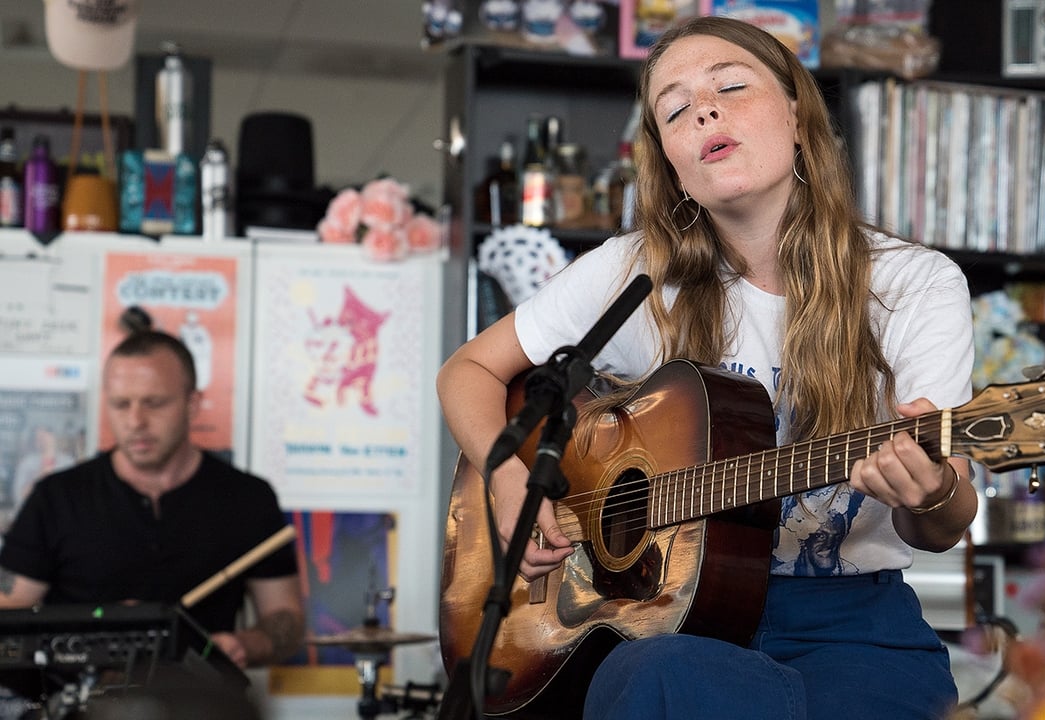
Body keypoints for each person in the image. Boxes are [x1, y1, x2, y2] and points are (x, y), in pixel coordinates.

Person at [436, 15, 977, 720]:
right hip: (671, 619)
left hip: (851, 628)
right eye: (677, 109)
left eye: (729, 85)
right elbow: (469, 370)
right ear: (673, 164)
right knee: (657, 675)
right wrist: (510, 481)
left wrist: (929, 492)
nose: (706, 110)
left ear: (796, 113)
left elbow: (942, 522)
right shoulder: (634, 276)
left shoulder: (912, 283)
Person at [0, 329, 305, 670]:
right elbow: (8, 611)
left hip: (203, 703)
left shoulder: (248, 498)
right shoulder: (56, 497)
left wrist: (244, 645)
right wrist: (92, 630)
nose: (135, 422)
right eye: (120, 404)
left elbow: (286, 620)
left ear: (193, 404)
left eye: (154, 403)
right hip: (82, 703)